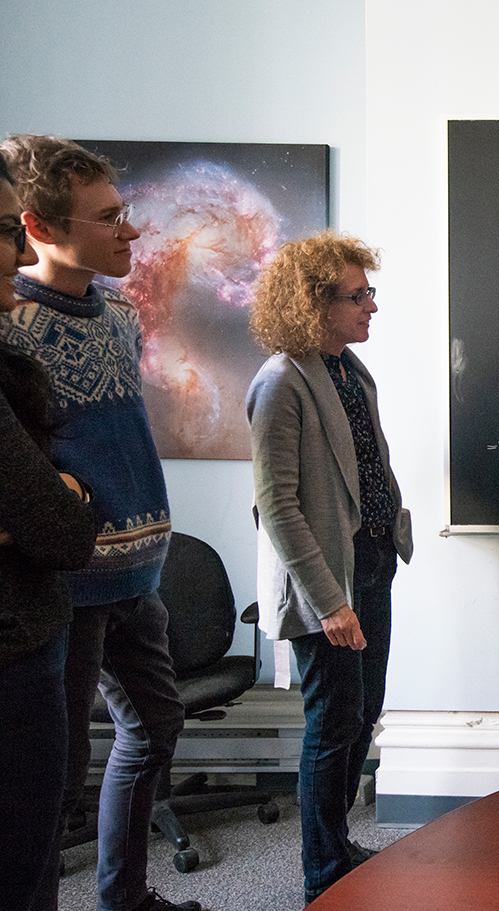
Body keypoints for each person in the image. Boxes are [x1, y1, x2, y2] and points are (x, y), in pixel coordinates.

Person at [0, 135, 198, 911]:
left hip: (138, 573)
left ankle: (125, 896)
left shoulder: (119, 310)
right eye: (110, 217)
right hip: (66, 584)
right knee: (53, 778)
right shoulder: (11, 324)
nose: (131, 231)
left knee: (155, 726)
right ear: (42, 228)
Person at [246, 231, 412, 904]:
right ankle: (323, 872)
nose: (371, 305)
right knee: (333, 720)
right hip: (326, 583)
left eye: (369, 291)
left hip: (370, 561)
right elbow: (277, 506)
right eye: (358, 295)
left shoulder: (348, 370)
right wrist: (328, 602)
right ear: (313, 302)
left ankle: (338, 844)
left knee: (363, 711)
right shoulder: (281, 380)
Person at [0, 153, 98, 911]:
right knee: (28, 863)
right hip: (19, 646)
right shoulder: (27, 330)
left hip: (48, 618)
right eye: (7, 233)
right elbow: (60, 526)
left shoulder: (114, 321)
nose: (19, 254)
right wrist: (66, 497)